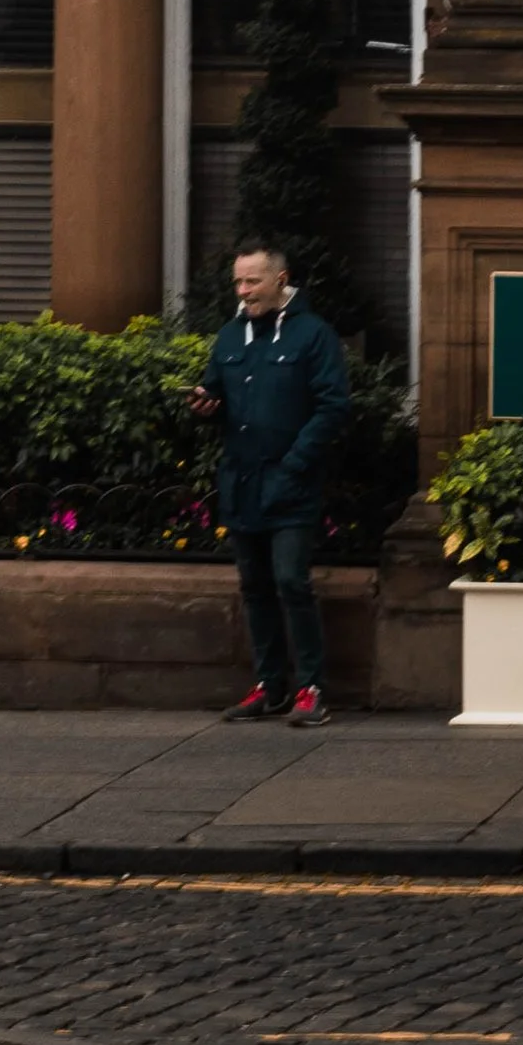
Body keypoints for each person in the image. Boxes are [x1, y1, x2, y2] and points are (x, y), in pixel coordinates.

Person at [193, 237, 351, 725]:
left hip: (291, 483)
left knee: (290, 581)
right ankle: (270, 686)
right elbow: (215, 391)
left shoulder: (313, 336)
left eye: (252, 280)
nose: (243, 291)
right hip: (241, 481)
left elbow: (333, 406)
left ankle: (311, 690)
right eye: (238, 281)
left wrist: (296, 462)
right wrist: (204, 403)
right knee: (255, 585)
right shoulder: (229, 336)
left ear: (280, 280)